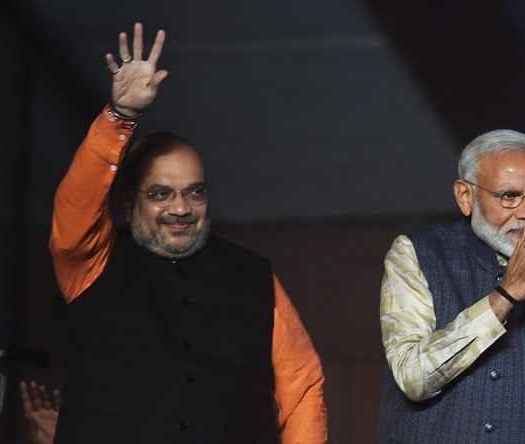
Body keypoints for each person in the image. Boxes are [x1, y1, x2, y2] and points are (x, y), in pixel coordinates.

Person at [48, 23, 327, 443]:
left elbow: (301, 386)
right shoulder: (93, 264)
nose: (180, 208)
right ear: (128, 203)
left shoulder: (252, 275)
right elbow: (76, 203)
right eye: (161, 194)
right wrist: (120, 116)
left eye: (194, 193)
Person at [376, 130, 525, 443]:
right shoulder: (417, 254)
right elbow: (413, 377)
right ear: (465, 197)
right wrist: (505, 295)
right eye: (509, 196)